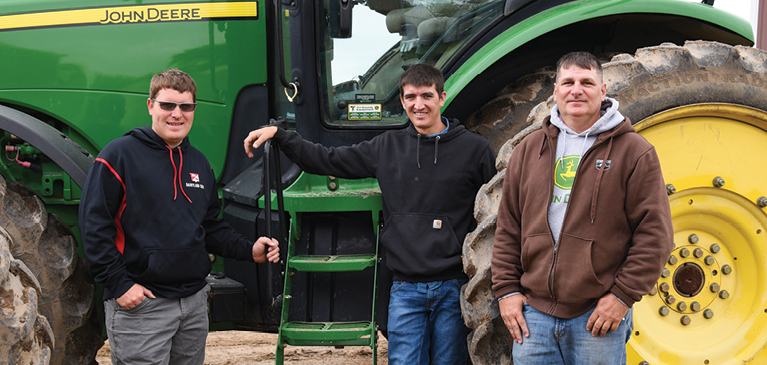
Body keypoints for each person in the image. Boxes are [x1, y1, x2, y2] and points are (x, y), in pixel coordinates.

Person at [244, 63, 496, 364]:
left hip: (453, 286)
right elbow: (327, 160)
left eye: (427, 96)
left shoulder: (475, 150)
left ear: (442, 98)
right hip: (405, 288)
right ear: (402, 101)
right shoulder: (386, 147)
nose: (419, 105)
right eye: (411, 97)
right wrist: (282, 136)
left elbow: (492, 215)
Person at [79, 69, 280, 365]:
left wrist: (249, 249)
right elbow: (94, 225)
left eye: (186, 107)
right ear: (150, 106)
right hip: (144, 306)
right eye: (167, 105)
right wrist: (119, 284)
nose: (177, 114)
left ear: (193, 110)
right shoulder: (118, 156)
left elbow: (210, 227)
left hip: (193, 305)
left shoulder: (200, 163)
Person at [491, 52, 674, 364]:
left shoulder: (635, 152)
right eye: (568, 82)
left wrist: (621, 297)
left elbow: (654, 234)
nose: (577, 90)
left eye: (587, 82)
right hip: (534, 315)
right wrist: (507, 292)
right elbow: (509, 227)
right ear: (556, 92)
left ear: (602, 92)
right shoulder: (528, 151)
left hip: (597, 315)